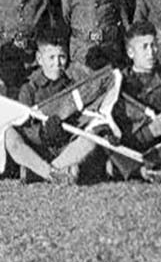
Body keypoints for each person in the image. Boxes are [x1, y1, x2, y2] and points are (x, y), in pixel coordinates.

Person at [9, 20, 102, 185]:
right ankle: (48, 170)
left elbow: (81, 120)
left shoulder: (73, 88)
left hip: (65, 148)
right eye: (51, 57)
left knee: (91, 138)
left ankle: (50, 170)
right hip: (38, 148)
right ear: (39, 59)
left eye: (62, 57)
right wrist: (42, 133)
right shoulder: (29, 89)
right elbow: (23, 126)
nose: (57, 63)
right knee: (10, 135)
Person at [109, 21, 161, 182]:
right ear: (131, 52)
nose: (151, 52)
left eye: (153, 46)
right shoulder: (117, 83)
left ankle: (147, 170)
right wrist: (150, 131)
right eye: (144, 47)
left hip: (156, 149)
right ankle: (144, 171)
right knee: (106, 143)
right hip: (126, 146)